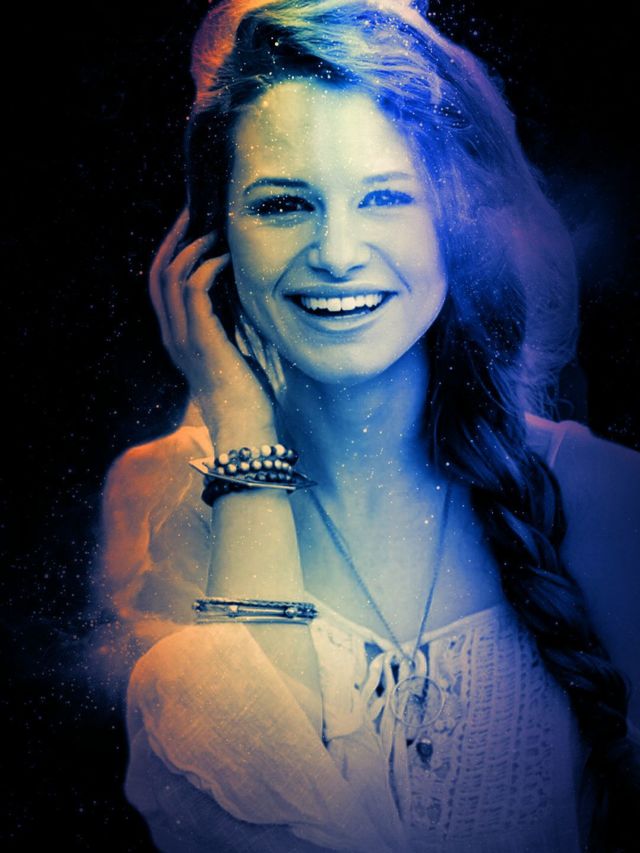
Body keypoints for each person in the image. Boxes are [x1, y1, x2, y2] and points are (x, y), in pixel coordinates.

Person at [90, 1, 640, 850]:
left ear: (453, 221)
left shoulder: (602, 495)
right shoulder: (155, 495)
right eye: (283, 204)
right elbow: (259, 813)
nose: (338, 252)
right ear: (213, 236)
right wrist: (242, 436)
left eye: (384, 197)